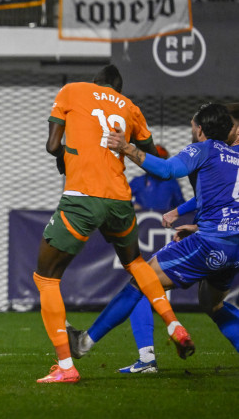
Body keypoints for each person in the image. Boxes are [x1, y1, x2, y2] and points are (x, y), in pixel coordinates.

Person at [34, 64, 193, 383]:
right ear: (116, 89)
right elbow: (152, 158)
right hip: (120, 198)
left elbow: (53, 146)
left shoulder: (72, 91)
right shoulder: (130, 108)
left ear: (96, 82)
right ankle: (174, 323)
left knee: (46, 278)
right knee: (135, 262)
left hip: (83, 196)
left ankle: (66, 367)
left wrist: (66, 158)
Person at [68, 103, 239, 366]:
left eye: (192, 127)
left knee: (142, 279)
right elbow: (224, 200)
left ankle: (86, 343)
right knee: (212, 304)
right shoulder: (235, 156)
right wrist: (192, 221)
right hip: (234, 248)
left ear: (200, 129)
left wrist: (126, 147)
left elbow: (167, 170)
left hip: (210, 243)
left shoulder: (205, 149)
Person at [129, 145, 185, 211]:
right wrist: (132, 205)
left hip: (164, 219)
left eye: (161, 161)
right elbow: (121, 200)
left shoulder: (172, 183)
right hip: (142, 219)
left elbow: (181, 205)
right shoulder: (138, 181)